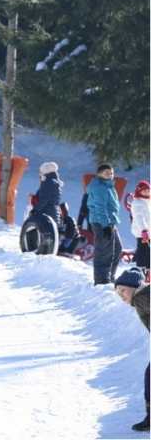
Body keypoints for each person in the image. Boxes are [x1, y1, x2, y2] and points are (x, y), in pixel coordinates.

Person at [113, 268, 150, 432]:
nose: (120, 294)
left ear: (135, 287)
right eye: (117, 291)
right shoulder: (142, 297)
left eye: (123, 290)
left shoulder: (142, 297)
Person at [87, 164, 123, 285]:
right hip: (102, 223)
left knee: (117, 249)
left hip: (110, 222)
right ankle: (101, 281)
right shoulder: (99, 187)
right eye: (107, 173)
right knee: (104, 252)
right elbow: (100, 208)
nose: (110, 175)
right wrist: (106, 225)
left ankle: (109, 277)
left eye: (111, 173)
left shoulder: (108, 186)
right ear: (99, 174)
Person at [32, 162, 63, 227]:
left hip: (47, 213)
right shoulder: (54, 181)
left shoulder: (48, 182)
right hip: (54, 212)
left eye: (41, 172)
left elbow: (44, 199)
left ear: (46, 171)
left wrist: (35, 209)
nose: (40, 174)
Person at [131, 180, 150, 272]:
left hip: (149, 232)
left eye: (148, 190)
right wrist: (143, 230)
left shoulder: (148, 201)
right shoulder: (138, 202)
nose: (147, 192)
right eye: (144, 190)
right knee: (144, 252)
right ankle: (142, 270)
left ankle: (148, 270)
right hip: (142, 233)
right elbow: (139, 217)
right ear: (139, 191)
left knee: (148, 252)